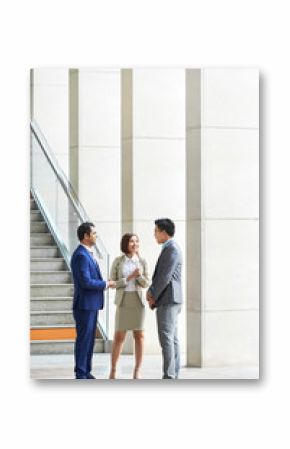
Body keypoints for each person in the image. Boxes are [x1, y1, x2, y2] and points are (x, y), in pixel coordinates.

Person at [71, 222, 116, 379]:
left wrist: (105, 282)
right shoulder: (81, 256)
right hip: (84, 305)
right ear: (86, 236)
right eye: (94, 233)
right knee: (84, 340)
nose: (97, 236)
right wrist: (106, 284)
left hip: (91, 304)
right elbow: (86, 282)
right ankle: (81, 373)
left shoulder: (88, 253)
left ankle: (86, 371)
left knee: (89, 340)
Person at [109, 233, 149, 379]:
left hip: (138, 303)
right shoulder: (118, 261)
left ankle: (137, 370)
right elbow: (112, 283)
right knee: (119, 336)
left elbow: (147, 283)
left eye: (137, 241)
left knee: (140, 336)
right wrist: (130, 277)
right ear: (125, 244)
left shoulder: (142, 261)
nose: (135, 244)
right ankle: (113, 370)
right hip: (123, 300)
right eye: (132, 241)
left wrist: (138, 276)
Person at [146, 218, 183, 379]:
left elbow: (165, 277)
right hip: (171, 298)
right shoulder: (169, 248)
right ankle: (173, 373)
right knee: (172, 338)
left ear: (163, 232)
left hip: (168, 299)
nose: (154, 234)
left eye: (156, 231)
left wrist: (153, 293)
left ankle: (169, 375)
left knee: (167, 339)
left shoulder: (172, 249)